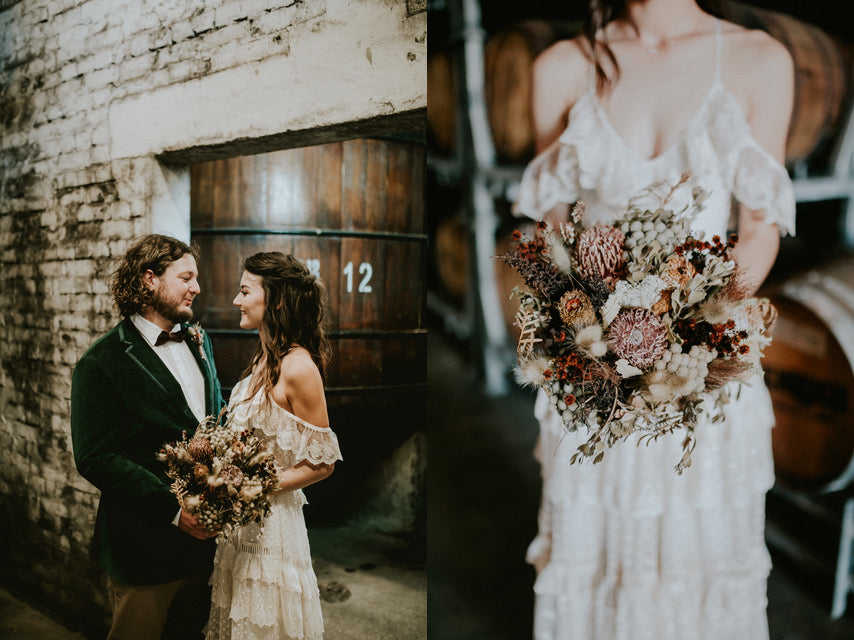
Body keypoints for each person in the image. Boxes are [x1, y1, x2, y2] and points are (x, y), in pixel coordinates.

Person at [513, 0, 795, 638]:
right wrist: (596, 339)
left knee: (698, 570)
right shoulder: (562, 66)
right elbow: (553, 232)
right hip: (595, 378)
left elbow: (759, 230)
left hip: (705, 365)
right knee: (597, 556)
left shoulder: (758, 59)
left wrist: (684, 338)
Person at [71, 234, 224, 639]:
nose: (197, 288)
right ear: (149, 279)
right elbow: (95, 456)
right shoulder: (102, 361)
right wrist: (175, 510)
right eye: (186, 277)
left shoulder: (198, 338)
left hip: (207, 547)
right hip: (144, 548)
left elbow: (214, 421)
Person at [205, 252, 342, 639]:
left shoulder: (298, 368)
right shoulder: (265, 358)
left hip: (272, 530)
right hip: (241, 527)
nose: (236, 299)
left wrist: (255, 487)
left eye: (245, 291)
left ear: (276, 301)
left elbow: (323, 464)